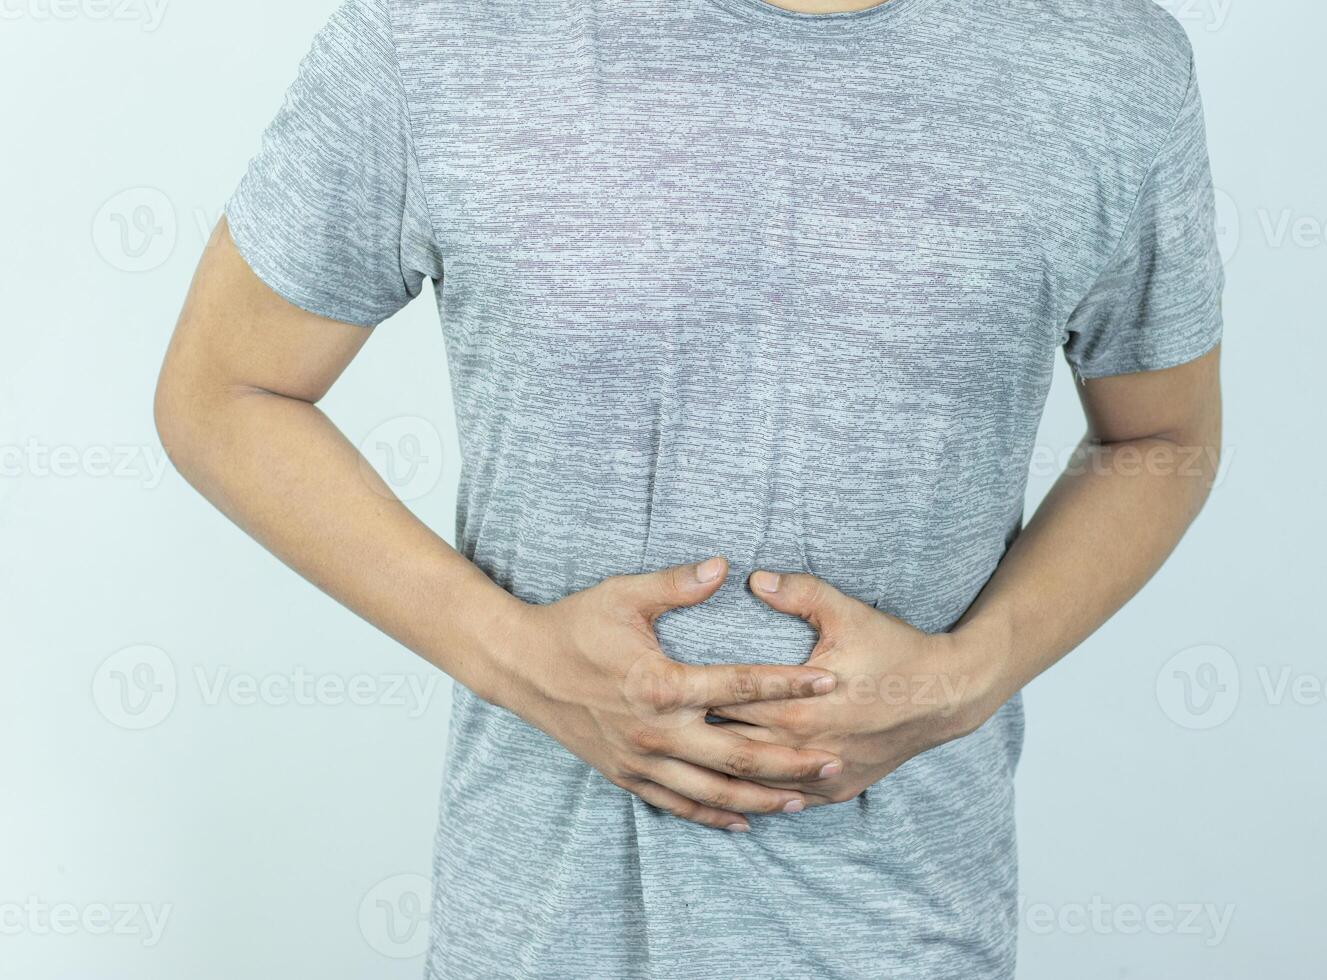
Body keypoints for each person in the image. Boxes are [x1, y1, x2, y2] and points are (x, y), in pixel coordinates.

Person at [153, 0, 1225, 974]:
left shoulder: (1104, 57)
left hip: (908, 928)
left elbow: (1159, 438)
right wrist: (521, 659)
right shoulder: (436, 33)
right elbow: (224, 391)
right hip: (539, 929)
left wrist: (962, 678)